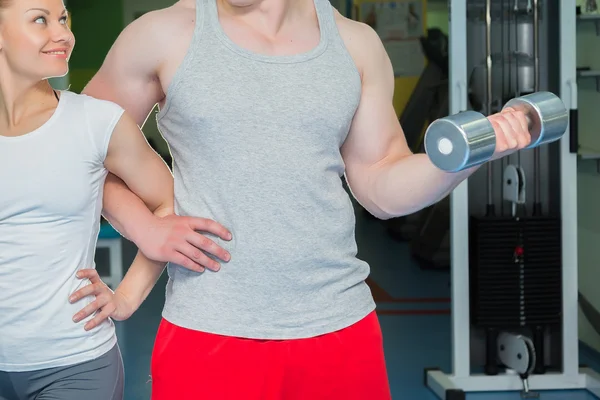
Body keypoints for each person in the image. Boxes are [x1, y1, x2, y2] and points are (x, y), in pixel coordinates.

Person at [78, 0, 532, 398]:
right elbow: (79, 150)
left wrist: (464, 156)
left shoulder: (355, 43)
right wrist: (147, 230)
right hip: (210, 330)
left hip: (340, 328)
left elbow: (380, 184)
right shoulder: (163, 34)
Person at [0, 0, 231, 399]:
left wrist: (126, 296)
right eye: (41, 20)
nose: (63, 34)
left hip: (74, 365)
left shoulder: (95, 122)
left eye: (63, 19)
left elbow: (170, 202)